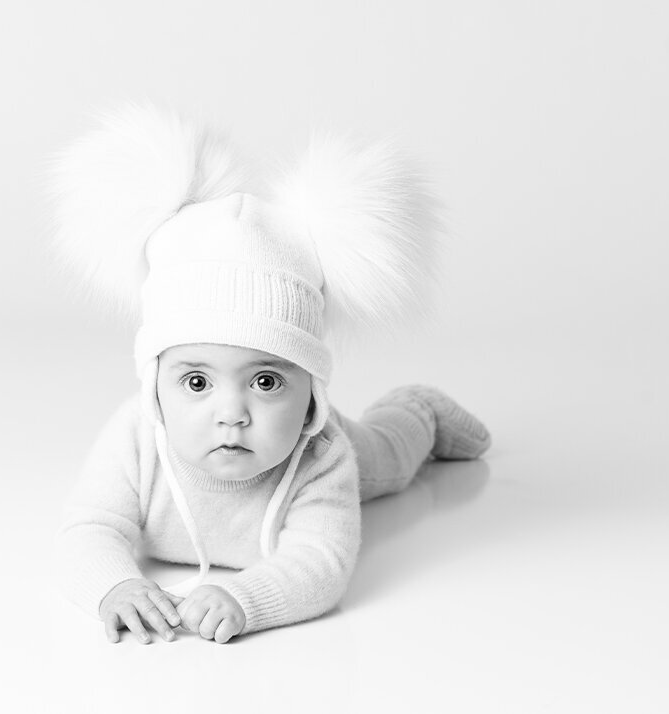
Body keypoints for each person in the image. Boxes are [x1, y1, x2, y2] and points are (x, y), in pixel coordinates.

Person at [48, 102, 491, 645]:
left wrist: (246, 598)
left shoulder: (323, 455)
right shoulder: (135, 437)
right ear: (155, 385)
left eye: (266, 381)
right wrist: (115, 586)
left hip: (338, 453)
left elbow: (320, 560)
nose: (232, 414)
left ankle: (420, 410)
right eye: (196, 382)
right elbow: (88, 528)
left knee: (390, 462)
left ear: (310, 393)